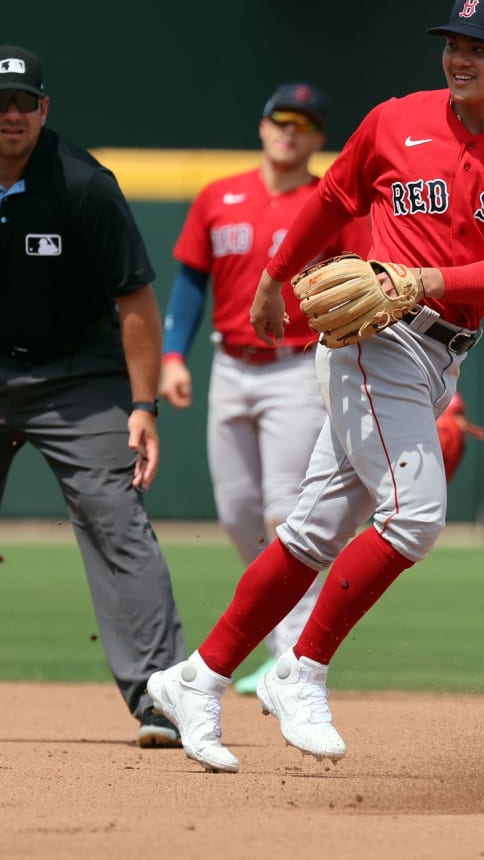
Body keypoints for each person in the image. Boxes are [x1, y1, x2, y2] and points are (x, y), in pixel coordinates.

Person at [146, 0, 484, 773]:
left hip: (439, 345)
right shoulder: (394, 120)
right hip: (369, 339)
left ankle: (194, 678)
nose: (459, 56)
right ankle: (299, 671)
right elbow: (332, 199)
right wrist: (276, 277)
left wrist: (422, 281)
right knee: (414, 518)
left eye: (479, 47)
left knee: (312, 533)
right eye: (452, 41)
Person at [159, 83, 373, 696]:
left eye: (304, 122)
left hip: (297, 367)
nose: (290, 130)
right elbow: (190, 284)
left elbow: (366, 280)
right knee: (237, 514)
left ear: (318, 137)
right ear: (262, 126)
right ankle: (272, 638)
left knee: (287, 510)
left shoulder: (329, 204)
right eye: (281, 119)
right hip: (229, 364)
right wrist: (174, 354)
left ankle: (291, 661)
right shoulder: (217, 197)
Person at [0, 45, 186, 748]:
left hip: (77, 375)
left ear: (44, 109)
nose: (10, 114)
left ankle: (163, 699)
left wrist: (144, 407)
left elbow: (134, 296)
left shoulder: (82, 182)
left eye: (23, 102)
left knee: (114, 518)